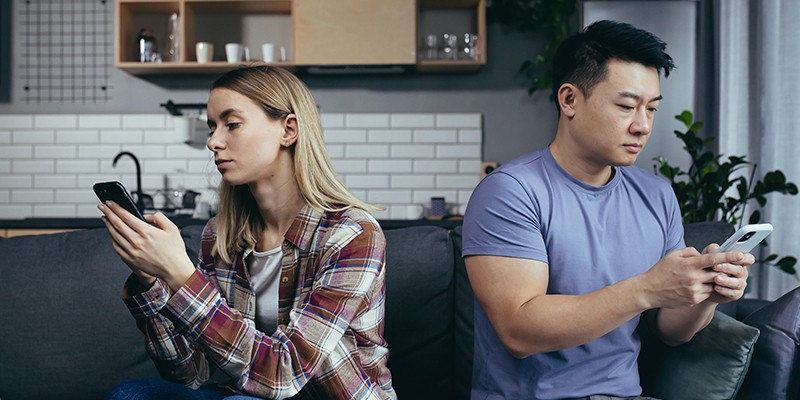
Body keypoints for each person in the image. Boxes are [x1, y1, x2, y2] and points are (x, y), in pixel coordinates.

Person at [462, 20, 753, 399]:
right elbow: (519, 331)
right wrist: (645, 288)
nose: (642, 126)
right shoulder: (510, 193)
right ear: (569, 100)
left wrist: (706, 294)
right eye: (627, 106)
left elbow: (670, 330)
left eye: (651, 109)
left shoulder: (657, 195)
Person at [100, 66, 396, 400]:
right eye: (212, 127)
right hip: (243, 396)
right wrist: (151, 281)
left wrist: (181, 275)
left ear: (288, 130)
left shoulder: (351, 236)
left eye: (232, 124)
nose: (213, 141)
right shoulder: (220, 236)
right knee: (132, 395)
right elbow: (190, 373)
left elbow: (283, 373)